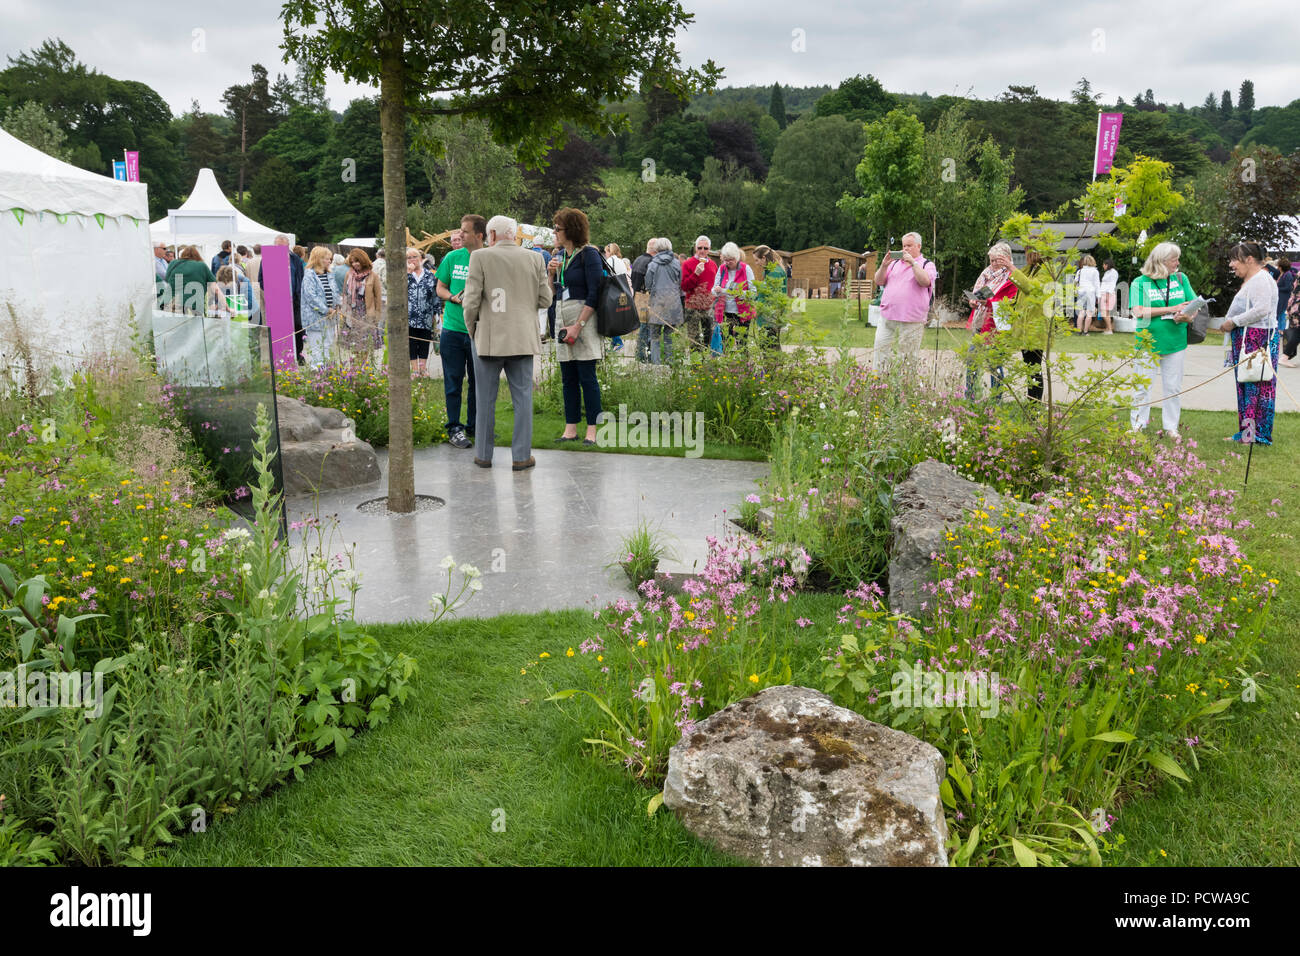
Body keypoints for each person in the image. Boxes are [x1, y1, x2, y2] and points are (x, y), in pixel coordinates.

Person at [463, 216, 553, 470]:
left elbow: (470, 302)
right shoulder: (535, 258)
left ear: (490, 234)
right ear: (514, 235)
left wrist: (473, 330)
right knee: (523, 399)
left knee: (485, 399)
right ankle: (522, 456)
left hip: (489, 338)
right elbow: (545, 300)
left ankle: (483, 454)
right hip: (523, 338)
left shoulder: (480, 257)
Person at [549, 206, 604, 443]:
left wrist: (578, 326)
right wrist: (550, 275)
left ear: (570, 230)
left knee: (587, 377)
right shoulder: (563, 257)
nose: (555, 232)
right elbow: (553, 294)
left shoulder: (588, 254)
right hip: (563, 318)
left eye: (557, 228)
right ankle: (570, 428)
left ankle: (592, 429)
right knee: (567, 377)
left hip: (584, 321)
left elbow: (595, 293)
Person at [1129, 242, 1196, 437]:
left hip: (1176, 342)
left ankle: (1171, 428)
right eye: (1174, 259)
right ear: (1161, 261)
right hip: (1147, 342)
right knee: (1142, 386)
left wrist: (1188, 316)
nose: (1178, 262)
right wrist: (1170, 309)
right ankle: (1138, 425)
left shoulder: (1181, 279)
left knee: (1173, 387)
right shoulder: (1140, 283)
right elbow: (1139, 312)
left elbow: (1193, 305)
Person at [1220, 241, 1280, 445]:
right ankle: (1247, 433)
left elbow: (1262, 309)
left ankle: (1256, 434)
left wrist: (1233, 322)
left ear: (1250, 260)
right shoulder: (1255, 279)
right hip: (1250, 337)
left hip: (1257, 339)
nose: (1231, 265)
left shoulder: (1261, 279)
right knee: (1248, 386)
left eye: (1234, 260)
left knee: (1256, 387)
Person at [436, 215, 483, 450]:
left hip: (480, 331)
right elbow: (440, 288)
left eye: (464, 231)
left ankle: (475, 426)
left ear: (479, 235)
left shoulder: (488, 258)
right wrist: (452, 298)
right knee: (453, 381)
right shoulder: (453, 257)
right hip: (453, 330)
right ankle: (454, 428)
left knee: (478, 382)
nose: (459, 235)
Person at [872, 231, 937, 372]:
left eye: (909, 246)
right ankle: (878, 381)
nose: (905, 249)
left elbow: (925, 281)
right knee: (880, 348)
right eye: (903, 246)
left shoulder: (926, 264)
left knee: (907, 355)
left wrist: (912, 263)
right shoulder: (894, 264)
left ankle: (904, 388)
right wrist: (884, 265)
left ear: (918, 246)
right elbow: (878, 281)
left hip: (912, 318)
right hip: (888, 315)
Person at [963, 242, 1019, 399]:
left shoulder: (1011, 276)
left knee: (994, 362)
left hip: (996, 325)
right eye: (992, 260)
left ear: (1007, 258)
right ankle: (970, 396)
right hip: (981, 321)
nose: (993, 264)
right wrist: (973, 301)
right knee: (972, 359)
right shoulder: (986, 273)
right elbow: (977, 292)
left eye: (997, 260)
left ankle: (997, 398)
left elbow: (1007, 302)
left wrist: (986, 302)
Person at [259, 234, 306, 364]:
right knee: (279, 329)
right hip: (278, 301)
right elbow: (261, 280)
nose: (279, 248)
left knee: (298, 327)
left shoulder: (295, 259)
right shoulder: (267, 259)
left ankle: (299, 354)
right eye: (277, 246)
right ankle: (281, 356)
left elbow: (301, 277)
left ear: (288, 246)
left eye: (282, 246)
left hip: (295, 300)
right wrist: (271, 291)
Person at [644, 237, 683, 364]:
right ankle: (670, 362)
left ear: (656, 249)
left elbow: (648, 284)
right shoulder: (677, 263)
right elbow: (681, 283)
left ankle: (656, 364)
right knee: (669, 335)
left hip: (657, 303)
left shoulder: (652, 264)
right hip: (673, 303)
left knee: (654, 336)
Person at [341, 248, 383, 365]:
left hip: (366, 314)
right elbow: (344, 293)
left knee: (364, 345)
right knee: (354, 345)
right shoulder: (349, 275)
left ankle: (360, 368)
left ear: (363, 260)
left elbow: (377, 297)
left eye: (357, 261)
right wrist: (344, 312)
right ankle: (355, 369)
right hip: (352, 314)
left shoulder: (373, 276)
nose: (355, 264)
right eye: (353, 261)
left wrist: (376, 316)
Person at [300, 246, 340, 367]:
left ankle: (327, 371)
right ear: (319, 259)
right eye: (327, 259)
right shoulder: (309, 275)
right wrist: (325, 309)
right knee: (317, 346)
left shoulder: (329, 274)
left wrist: (337, 305)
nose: (329, 261)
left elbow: (335, 292)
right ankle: (317, 372)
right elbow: (311, 296)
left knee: (328, 344)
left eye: (330, 259)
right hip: (315, 318)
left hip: (330, 317)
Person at [710, 242, 756, 344]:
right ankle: (728, 359)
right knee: (726, 342)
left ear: (737, 257)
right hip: (725, 311)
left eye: (732, 259)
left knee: (741, 342)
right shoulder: (722, 269)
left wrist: (734, 292)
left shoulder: (746, 269)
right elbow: (713, 290)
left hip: (742, 312)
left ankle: (743, 360)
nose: (729, 262)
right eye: (726, 260)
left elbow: (753, 293)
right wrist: (717, 291)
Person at [406, 247, 439, 378]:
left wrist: (436, 313)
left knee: (424, 341)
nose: (412, 260)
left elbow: (435, 295)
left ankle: (423, 369)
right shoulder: (404, 275)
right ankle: (414, 370)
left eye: (415, 257)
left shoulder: (430, 274)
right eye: (409, 257)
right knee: (412, 343)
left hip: (426, 315)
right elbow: (400, 292)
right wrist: (408, 274)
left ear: (421, 259)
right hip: (409, 316)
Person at [681, 235, 718, 349]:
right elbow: (684, 286)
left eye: (705, 248)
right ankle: (696, 365)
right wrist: (695, 274)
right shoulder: (688, 263)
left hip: (708, 305)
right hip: (692, 306)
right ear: (695, 248)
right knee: (694, 339)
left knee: (709, 337)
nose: (702, 251)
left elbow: (716, 284)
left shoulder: (712, 264)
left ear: (709, 249)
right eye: (700, 248)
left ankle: (708, 363)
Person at [162, 246, 217, 315]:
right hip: (193, 304)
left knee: (173, 324)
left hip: (171, 301)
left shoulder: (173, 263)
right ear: (197, 255)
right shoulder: (201, 265)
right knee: (193, 324)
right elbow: (213, 287)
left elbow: (167, 279)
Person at [752, 245, 787, 350]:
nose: (756, 263)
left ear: (764, 258)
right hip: (766, 314)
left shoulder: (775, 272)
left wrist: (757, 308)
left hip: (771, 316)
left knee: (769, 346)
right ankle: (772, 366)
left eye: (757, 260)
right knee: (768, 345)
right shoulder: (768, 271)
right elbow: (763, 293)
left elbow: (771, 296)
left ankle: (772, 366)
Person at [630, 239, 655, 362]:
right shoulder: (651, 262)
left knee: (642, 327)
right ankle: (643, 357)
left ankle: (640, 355)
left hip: (637, 296)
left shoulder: (638, 259)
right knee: (647, 328)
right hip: (646, 297)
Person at [604, 242, 630, 352]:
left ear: (609, 252)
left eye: (606, 252)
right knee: (615, 316)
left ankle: (617, 341)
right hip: (621, 291)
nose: (605, 254)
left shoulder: (610, 261)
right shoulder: (620, 261)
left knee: (610, 317)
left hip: (611, 291)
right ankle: (615, 342)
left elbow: (606, 275)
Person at [1075, 254, 1101, 335]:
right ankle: (1086, 332)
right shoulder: (1095, 271)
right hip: (1090, 292)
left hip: (1081, 292)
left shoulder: (1080, 271)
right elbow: (1097, 284)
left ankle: (1079, 331)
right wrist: (1098, 296)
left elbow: (1075, 282)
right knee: (1089, 313)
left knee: (1081, 313)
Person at [1281, 277, 1300, 368]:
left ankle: (1285, 357)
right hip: (1298, 307)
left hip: (1294, 304)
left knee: (1297, 331)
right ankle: (1284, 357)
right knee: (1297, 332)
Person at [1098, 258, 1119, 334]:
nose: (1103, 266)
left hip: (1108, 295)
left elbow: (1111, 285)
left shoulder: (1113, 272)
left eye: (1104, 264)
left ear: (1107, 264)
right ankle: (1107, 329)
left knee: (1104, 313)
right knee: (1106, 313)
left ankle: (1110, 329)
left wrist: (1107, 296)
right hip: (1103, 294)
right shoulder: (1107, 272)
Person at [1275, 257, 1294, 335]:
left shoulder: (1288, 275)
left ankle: (1281, 330)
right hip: (1280, 297)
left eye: (1278, 266)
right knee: (1279, 313)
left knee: (1282, 313)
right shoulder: (1283, 274)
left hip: (1284, 297)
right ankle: (1279, 329)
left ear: (1281, 266)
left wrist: (1277, 288)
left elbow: (1288, 288)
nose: (1277, 267)